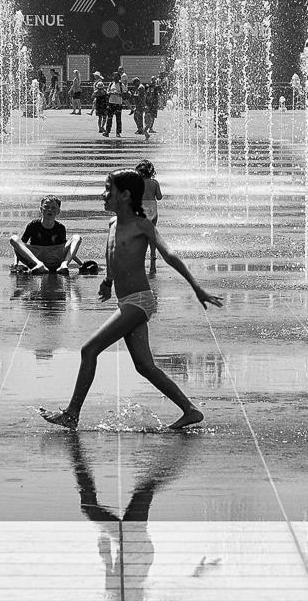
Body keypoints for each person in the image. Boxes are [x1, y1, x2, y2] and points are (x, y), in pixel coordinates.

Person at [40, 171, 223, 432]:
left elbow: (169, 255)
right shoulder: (113, 224)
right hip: (125, 299)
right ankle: (191, 410)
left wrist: (196, 287)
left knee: (89, 350)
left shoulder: (142, 225)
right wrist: (107, 281)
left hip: (139, 301)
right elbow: (111, 252)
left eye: (108, 190)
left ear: (125, 195)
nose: (103, 195)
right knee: (144, 366)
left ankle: (72, 413)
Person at [11, 196, 83, 273]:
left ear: (58, 211)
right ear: (41, 209)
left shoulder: (60, 228)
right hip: (36, 258)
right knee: (14, 238)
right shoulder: (32, 225)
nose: (49, 210)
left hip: (54, 258)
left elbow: (67, 249)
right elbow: (19, 247)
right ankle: (39, 265)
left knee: (76, 237)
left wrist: (81, 264)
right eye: (46, 207)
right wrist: (15, 263)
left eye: (53, 208)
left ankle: (64, 265)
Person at [136, 159, 163, 275]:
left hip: (141, 208)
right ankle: (153, 254)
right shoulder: (155, 183)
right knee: (152, 232)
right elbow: (159, 197)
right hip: (152, 208)